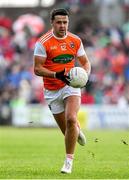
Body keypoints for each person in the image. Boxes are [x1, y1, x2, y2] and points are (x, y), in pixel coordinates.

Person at [33, 8, 91, 174]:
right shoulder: (43, 43)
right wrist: (55, 74)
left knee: (72, 118)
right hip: (51, 90)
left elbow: (86, 62)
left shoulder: (75, 40)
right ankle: (76, 130)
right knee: (67, 130)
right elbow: (37, 69)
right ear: (52, 23)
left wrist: (85, 76)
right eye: (59, 22)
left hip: (70, 85)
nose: (62, 25)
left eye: (65, 22)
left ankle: (68, 162)